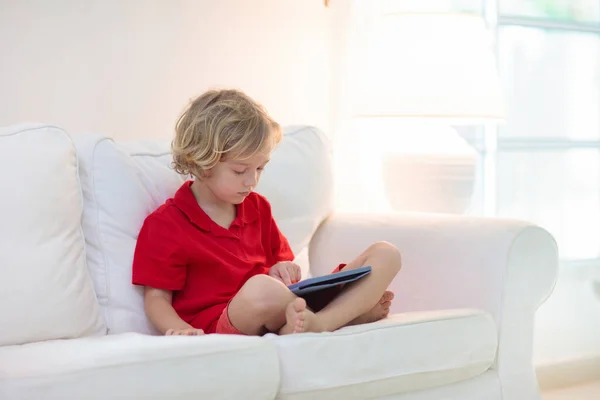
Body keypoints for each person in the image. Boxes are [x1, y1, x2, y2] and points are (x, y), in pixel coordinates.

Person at [132, 89, 401, 336]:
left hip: (288, 309)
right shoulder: (166, 224)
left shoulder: (258, 207)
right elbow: (156, 299)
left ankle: (322, 322)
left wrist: (282, 269)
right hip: (230, 320)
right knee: (261, 289)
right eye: (240, 171)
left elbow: (284, 276)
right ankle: (342, 314)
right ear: (201, 163)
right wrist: (180, 330)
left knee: (386, 253)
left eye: (260, 168)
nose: (252, 181)